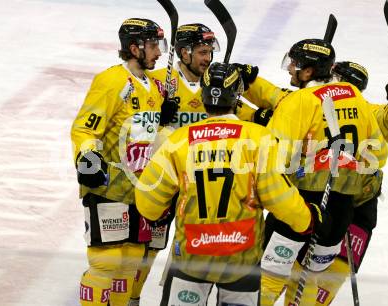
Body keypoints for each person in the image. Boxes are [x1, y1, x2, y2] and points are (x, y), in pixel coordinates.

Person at [135, 62, 331, 305]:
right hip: (241, 256)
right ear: (237, 96)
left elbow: (148, 201)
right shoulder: (258, 138)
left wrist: (159, 211)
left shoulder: (179, 139)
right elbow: (276, 193)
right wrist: (305, 219)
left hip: (192, 253)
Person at [235, 38, 388, 305]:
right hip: (340, 211)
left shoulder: (299, 101)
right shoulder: (355, 98)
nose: (289, 69)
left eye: (294, 64)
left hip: (300, 206)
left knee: (269, 275)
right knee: (307, 277)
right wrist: (343, 158)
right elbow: (379, 155)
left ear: (308, 71)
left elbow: (275, 158)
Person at [71, 18, 171, 306]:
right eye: (153, 45)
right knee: (107, 261)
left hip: (138, 189)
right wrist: (87, 157)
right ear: (134, 48)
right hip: (108, 186)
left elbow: (147, 136)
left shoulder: (152, 87)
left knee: (130, 262)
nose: (159, 52)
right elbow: (85, 129)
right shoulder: (111, 80)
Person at [128, 23, 221, 305]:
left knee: (196, 248)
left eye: (209, 52)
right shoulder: (157, 80)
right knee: (150, 245)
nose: (208, 58)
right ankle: (132, 298)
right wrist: (158, 114)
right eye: (203, 52)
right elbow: (135, 122)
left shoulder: (215, 83)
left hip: (201, 183)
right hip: (164, 178)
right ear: (184, 52)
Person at [310, 61, 388, 305]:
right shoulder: (316, 104)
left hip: (342, 200)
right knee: (321, 267)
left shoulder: (318, 104)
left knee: (329, 268)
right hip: (344, 200)